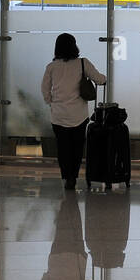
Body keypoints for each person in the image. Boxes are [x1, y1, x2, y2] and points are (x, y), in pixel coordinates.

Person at [41, 33, 106, 190]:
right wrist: (102, 78)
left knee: (63, 148)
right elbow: (100, 79)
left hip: (58, 116)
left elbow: (45, 89)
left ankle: (66, 176)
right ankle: (73, 178)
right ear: (74, 46)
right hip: (79, 115)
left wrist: (51, 103)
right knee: (76, 148)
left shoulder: (51, 67)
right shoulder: (83, 63)